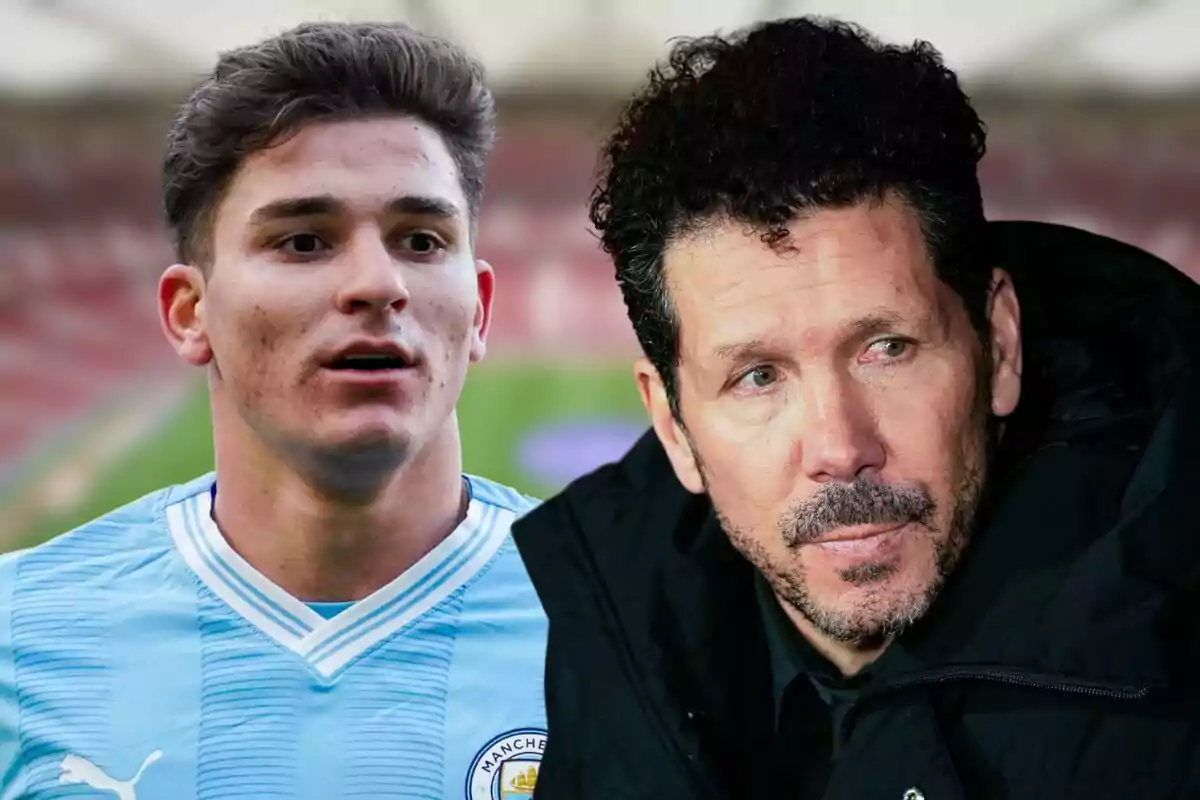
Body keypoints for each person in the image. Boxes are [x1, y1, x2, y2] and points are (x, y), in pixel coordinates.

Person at [512, 16, 1200, 800]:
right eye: (759, 377)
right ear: (672, 425)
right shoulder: (600, 644)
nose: (839, 447)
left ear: (999, 347)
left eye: (888, 350)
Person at [0, 22, 548, 799]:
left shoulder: (653, 635)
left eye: (421, 240)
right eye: (302, 241)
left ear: (481, 310)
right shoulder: (17, 636)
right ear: (190, 312)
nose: (376, 282)